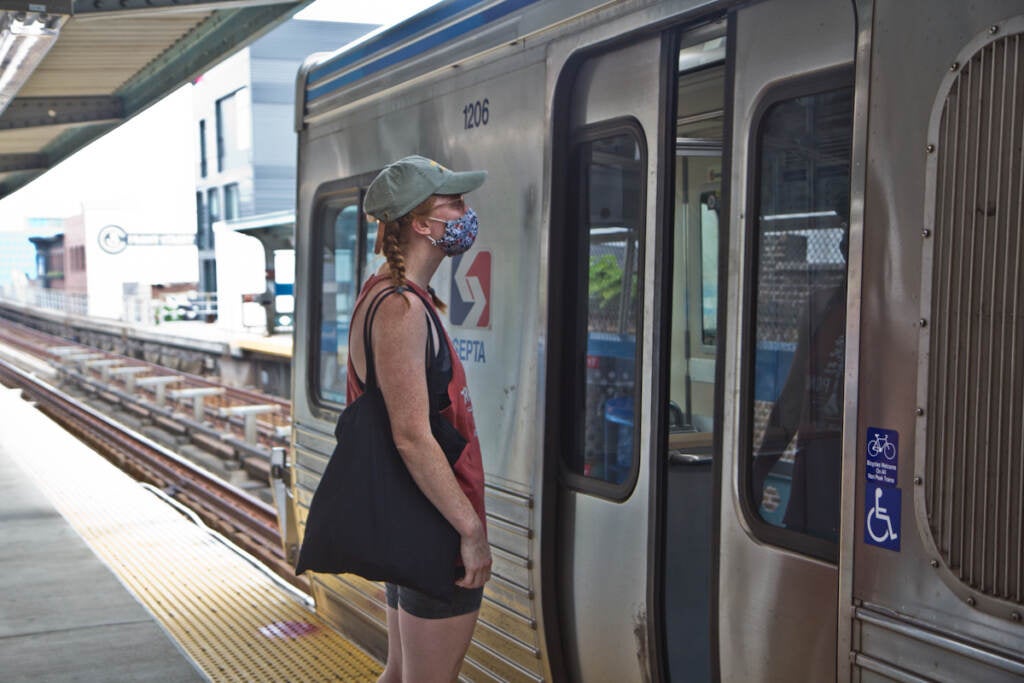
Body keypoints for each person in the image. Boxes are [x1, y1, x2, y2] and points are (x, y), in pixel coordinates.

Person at [351, 155, 492, 683]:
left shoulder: (391, 295)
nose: (465, 212)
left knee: (400, 675)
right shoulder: (400, 309)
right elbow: (411, 435)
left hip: (411, 513)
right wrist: (469, 528)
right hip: (432, 522)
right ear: (419, 223)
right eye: (453, 204)